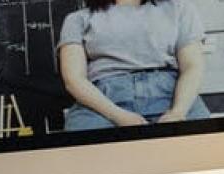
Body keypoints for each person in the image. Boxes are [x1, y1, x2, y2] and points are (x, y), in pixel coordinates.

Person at [58, 0, 210, 131]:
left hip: (172, 95)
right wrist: (118, 115)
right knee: (86, 156)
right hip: (101, 103)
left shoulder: (180, 8)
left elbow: (192, 66)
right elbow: (74, 79)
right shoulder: (77, 19)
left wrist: (178, 113)